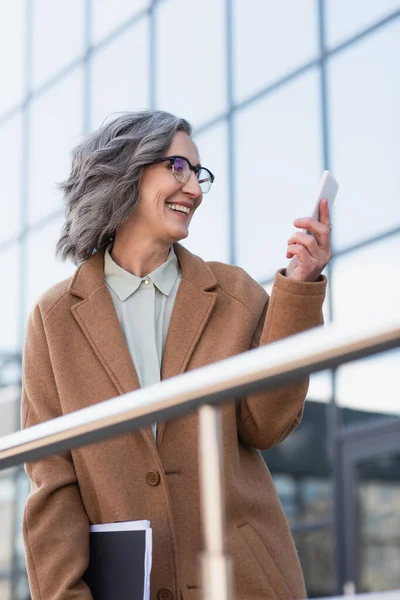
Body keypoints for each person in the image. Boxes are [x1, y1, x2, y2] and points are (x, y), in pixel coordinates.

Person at [22, 110, 331, 600]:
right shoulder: (55, 317)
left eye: (199, 173)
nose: (195, 189)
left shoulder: (234, 294)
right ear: (128, 169)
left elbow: (266, 426)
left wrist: (298, 290)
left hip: (241, 582)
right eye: (178, 168)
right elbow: (52, 483)